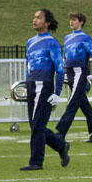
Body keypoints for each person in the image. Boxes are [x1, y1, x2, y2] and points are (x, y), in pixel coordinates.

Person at [21, 10, 71, 171]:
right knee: (36, 124)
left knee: (37, 125)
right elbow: (28, 65)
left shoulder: (52, 42)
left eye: (39, 17)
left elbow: (60, 68)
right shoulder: (30, 42)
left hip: (44, 85)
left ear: (47, 22)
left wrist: (57, 93)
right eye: (34, 16)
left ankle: (36, 162)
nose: (34, 20)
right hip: (32, 84)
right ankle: (60, 145)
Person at [56, 12, 92, 143]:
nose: (71, 22)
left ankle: (61, 132)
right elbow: (66, 57)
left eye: (74, 20)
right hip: (70, 72)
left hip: (80, 72)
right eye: (70, 19)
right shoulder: (66, 38)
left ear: (81, 22)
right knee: (83, 103)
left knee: (72, 102)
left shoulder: (86, 38)